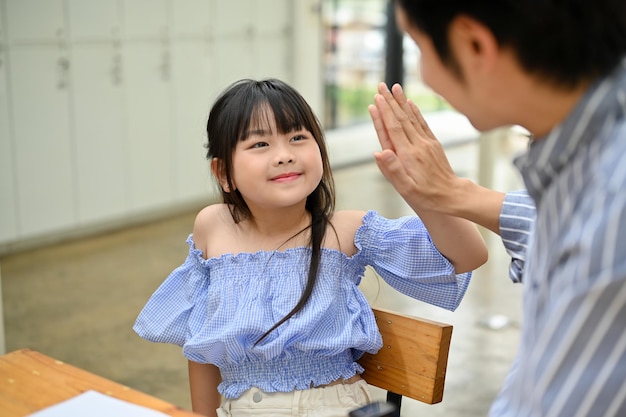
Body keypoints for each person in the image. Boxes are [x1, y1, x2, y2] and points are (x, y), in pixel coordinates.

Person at [133, 78, 488, 417]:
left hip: (334, 408)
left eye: (298, 137)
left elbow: (468, 255)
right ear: (223, 173)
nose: (284, 155)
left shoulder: (345, 230)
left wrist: (428, 192)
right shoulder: (212, 227)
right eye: (260, 144)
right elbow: (202, 346)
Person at [368, 1, 626, 416]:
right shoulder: (586, 154)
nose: (423, 75)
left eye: (419, 46)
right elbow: (549, 228)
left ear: (474, 44)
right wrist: (453, 193)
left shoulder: (609, 214)